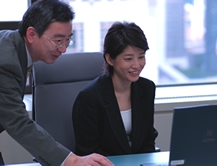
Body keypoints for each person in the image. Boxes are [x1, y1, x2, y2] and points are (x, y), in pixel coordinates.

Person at [0, 0, 113, 166]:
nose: (63, 49)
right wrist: (72, 160)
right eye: (58, 40)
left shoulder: (12, 44)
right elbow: (18, 122)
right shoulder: (6, 62)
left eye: (67, 40)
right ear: (31, 34)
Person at [72, 21, 158, 156]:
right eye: (128, 59)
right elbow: (88, 152)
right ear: (110, 59)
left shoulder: (146, 88)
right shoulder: (90, 97)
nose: (137, 65)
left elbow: (147, 141)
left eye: (141, 57)